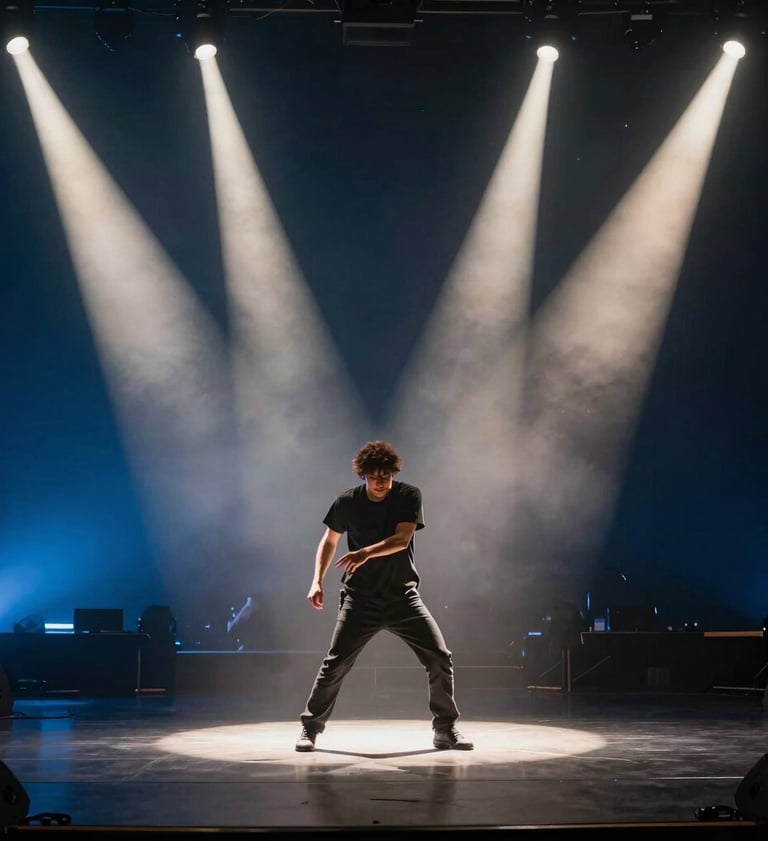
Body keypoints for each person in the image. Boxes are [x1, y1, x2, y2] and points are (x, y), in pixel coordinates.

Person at [296, 440, 473, 752]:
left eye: (387, 476)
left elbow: (402, 539)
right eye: (375, 476)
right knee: (335, 663)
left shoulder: (407, 495)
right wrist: (317, 581)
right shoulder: (346, 502)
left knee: (439, 657)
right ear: (363, 475)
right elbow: (329, 541)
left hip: (403, 597)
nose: (381, 482)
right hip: (359, 598)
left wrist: (365, 552)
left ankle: (445, 728)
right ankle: (310, 729)